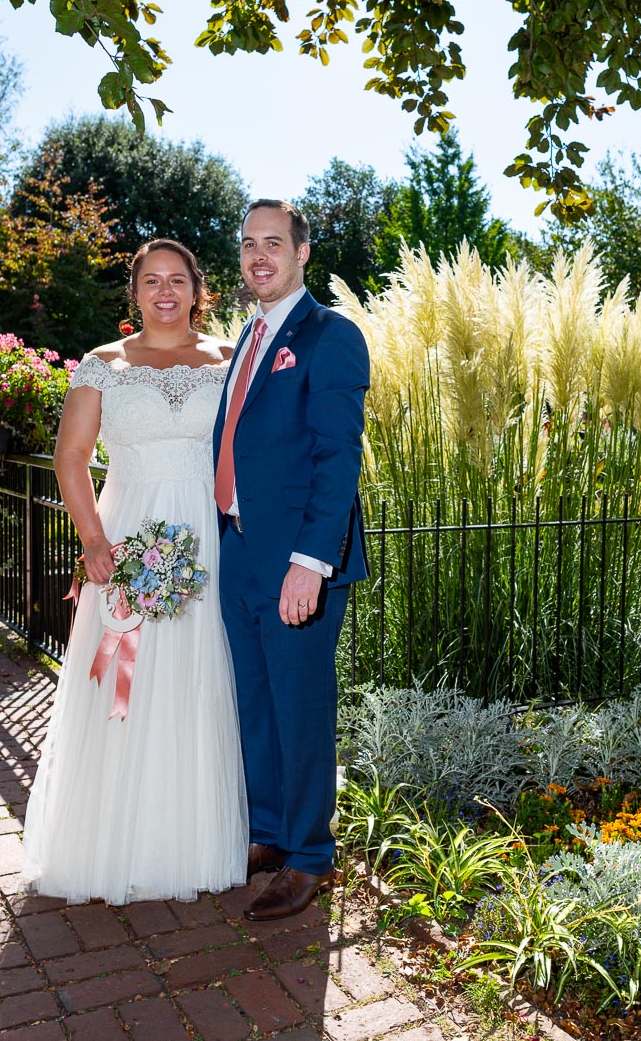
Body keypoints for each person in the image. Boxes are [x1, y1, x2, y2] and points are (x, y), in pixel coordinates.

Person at [22, 239, 247, 904]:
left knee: (196, 678)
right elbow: (71, 459)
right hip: (129, 539)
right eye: (152, 280)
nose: (165, 291)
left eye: (178, 279)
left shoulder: (231, 361)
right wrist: (95, 544)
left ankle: (192, 840)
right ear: (136, 292)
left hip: (208, 539)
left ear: (198, 289)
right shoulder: (103, 366)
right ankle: (111, 844)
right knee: (125, 684)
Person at [214, 200, 370, 922]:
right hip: (238, 549)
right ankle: (270, 833)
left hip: (296, 562)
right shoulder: (246, 337)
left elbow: (338, 460)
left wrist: (311, 561)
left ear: (302, 253)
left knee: (301, 706)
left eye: (273, 243)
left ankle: (309, 855)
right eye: (249, 244)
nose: (259, 257)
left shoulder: (330, 337)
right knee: (255, 700)